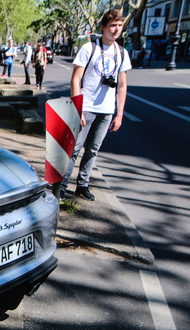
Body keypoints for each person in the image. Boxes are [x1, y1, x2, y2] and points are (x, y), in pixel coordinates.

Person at [60, 9, 132, 201]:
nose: (117, 30)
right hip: (86, 107)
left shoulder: (122, 53)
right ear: (103, 27)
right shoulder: (88, 48)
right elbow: (75, 80)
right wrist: (78, 107)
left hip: (106, 110)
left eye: (119, 25)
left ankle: (82, 185)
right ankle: (61, 186)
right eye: (113, 26)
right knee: (74, 149)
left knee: (93, 150)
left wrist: (119, 114)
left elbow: (122, 86)